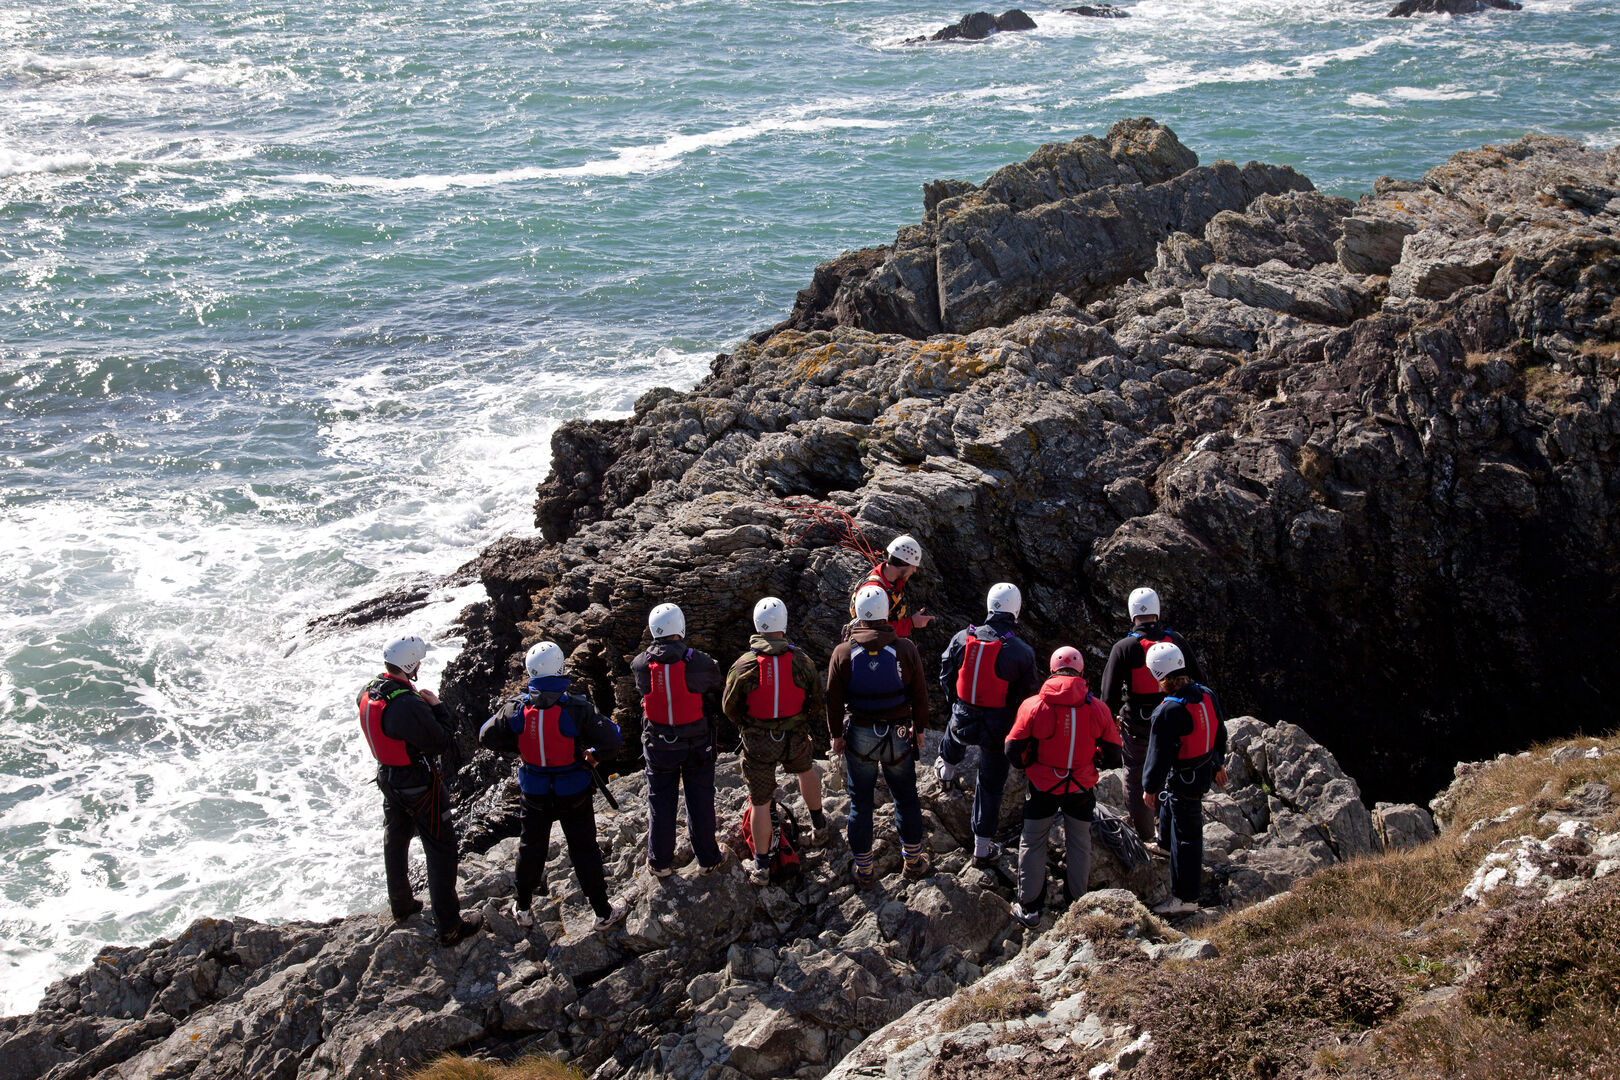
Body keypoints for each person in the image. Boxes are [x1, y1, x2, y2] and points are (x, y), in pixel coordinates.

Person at [478, 641, 628, 931]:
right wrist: (592, 756)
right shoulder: (576, 708)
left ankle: (522, 908)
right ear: (559, 667)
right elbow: (612, 741)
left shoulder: (516, 708)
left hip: (533, 790)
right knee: (584, 849)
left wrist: (520, 746)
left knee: (530, 847)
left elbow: (487, 736)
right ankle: (602, 912)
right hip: (573, 792)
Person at [356, 634, 481, 947]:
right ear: (410, 665)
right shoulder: (408, 705)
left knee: (395, 839)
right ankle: (450, 927)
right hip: (418, 784)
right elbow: (441, 739)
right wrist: (437, 707)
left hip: (388, 778)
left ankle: (401, 905)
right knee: (441, 849)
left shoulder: (370, 691)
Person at [1004, 647, 1124, 927]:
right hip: (1081, 786)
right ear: (1081, 672)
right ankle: (1077, 907)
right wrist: (1093, 761)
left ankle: (1030, 908)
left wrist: (1030, 762)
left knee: (1033, 842)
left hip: (1043, 784)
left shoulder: (1034, 705)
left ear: (1052, 671)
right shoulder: (1098, 708)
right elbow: (1114, 755)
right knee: (1080, 843)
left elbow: (1012, 749)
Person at [825, 584, 932, 885]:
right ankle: (912, 860)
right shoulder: (906, 648)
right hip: (898, 732)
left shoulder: (843, 651)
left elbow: (832, 699)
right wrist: (920, 730)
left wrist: (835, 735)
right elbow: (920, 694)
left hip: (859, 734)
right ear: (886, 612)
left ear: (857, 612)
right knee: (906, 797)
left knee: (861, 802)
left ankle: (865, 869)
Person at [722, 596, 833, 886]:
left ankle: (761, 866)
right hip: (795, 736)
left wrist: (749, 725)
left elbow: (729, 707)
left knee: (761, 801)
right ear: (783, 623)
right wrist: (800, 722)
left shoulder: (743, 665)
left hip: (759, 742)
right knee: (806, 770)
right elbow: (816, 699)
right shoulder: (801, 660)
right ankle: (819, 826)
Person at [936, 582, 1039, 869]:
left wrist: (956, 704)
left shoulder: (961, 638)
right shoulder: (1022, 652)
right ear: (1015, 610)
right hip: (998, 729)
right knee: (991, 785)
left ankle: (946, 769)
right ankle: (982, 847)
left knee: (955, 723)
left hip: (963, 721)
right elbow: (1029, 698)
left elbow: (946, 675)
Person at [1098, 587, 1204, 844]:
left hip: (1138, 724)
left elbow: (1108, 695)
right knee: (1172, 773)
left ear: (1132, 612)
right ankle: (1168, 833)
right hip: (1176, 721)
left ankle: (1146, 835)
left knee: (1136, 775)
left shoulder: (1124, 647)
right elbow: (1199, 680)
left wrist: (1102, 731)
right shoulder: (1175, 640)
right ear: (1157, 610)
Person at [632, 602, 725, 878]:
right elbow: (713, 679)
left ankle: (659, 861)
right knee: (700, 799)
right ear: (680, 627)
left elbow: (644, 688)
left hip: (659, 745)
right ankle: (708, 857)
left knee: (660, 801)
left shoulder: (641, 664)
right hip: (696, 743)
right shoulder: (698, 662)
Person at [1140, 641, 1229, 917]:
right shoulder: (1205, 694)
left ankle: (1185, 898)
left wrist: (1149, 788)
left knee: (1188, 835)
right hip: (1202, 769)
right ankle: (1165, 846)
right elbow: (1219, 733)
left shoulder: (1167, 711)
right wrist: (1217, 764)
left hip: (1184, 778)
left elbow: (1157, 756)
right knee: (1173, 809)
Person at [849, 534, 935, 638]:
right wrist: (911, 623)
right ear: (903, 563)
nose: (914, 570)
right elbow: (873, 631)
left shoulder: (892, 579)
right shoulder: (874, 591)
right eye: (913, 566)